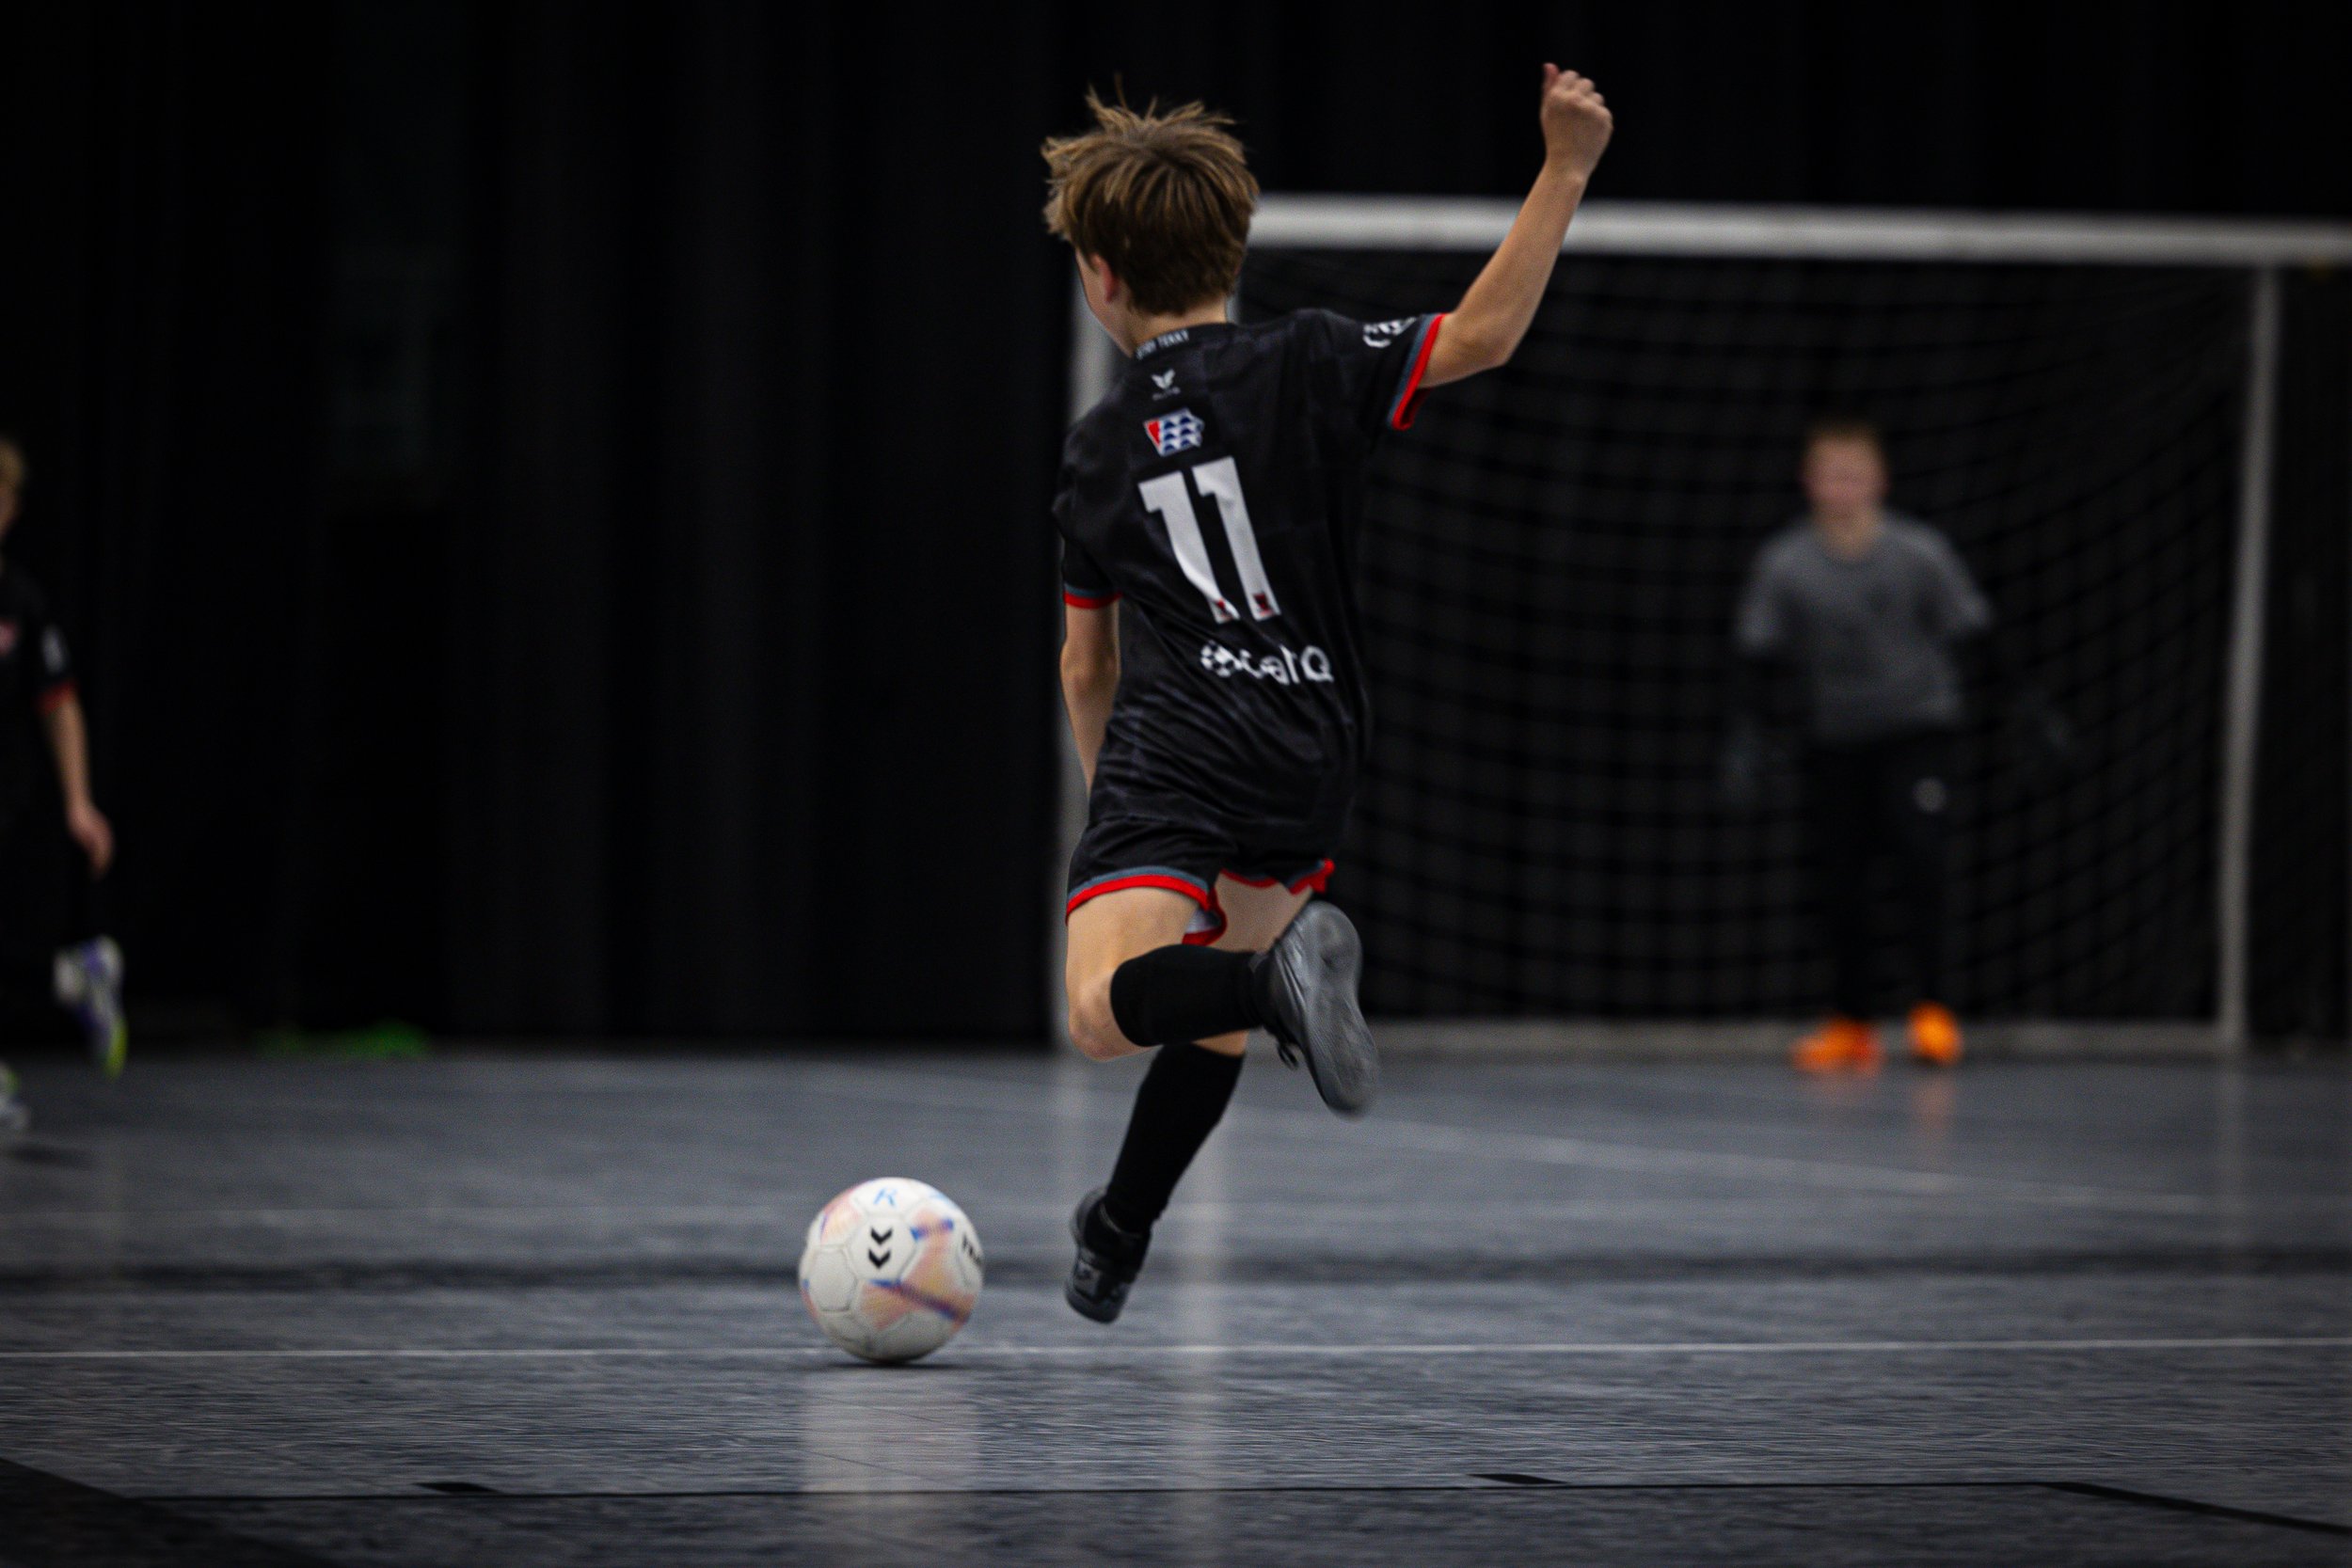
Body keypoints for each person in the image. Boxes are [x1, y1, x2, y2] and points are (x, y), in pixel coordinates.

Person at [1044, 69, 1613, 1320]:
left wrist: (1118, 824)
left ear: (1101, 277)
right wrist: (1564, 167)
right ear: (1232, 248)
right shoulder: (1307, 359)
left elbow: (1089, 664)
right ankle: (1120, 1226)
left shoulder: (1097, 446)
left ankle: (1267, 986)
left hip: (1181, 744)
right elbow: (1484, 335)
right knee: (1217, 1007)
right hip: (1313, 739)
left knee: (1105, 1006)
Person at [1724, 418, 2068, 1073]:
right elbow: (1756, 656)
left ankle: (1932, 1010)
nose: (1843, 487)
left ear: (1878, 480)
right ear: (1809, 482)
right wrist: (1747, 732)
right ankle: (1852, 1020)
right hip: (1836, 736)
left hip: (1916, 728)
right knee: (1838, 880)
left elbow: (1974, 633)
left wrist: (2024, 706)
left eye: (1855, 473)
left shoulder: (1918, 554)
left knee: (1921, 857)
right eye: (1831, 474)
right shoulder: (1787, 563)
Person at [0, 436, 124, 1135]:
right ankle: (73, 977)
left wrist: (79, 801)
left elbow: (59, 704)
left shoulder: (20, 601)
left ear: (11, 511)